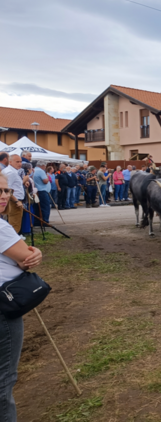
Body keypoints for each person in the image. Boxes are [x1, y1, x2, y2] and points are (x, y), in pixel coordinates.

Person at [0, 172, 44, 422]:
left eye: (7, 191)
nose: (5, 196)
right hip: (3, 310)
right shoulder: (1, 227)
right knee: (3, 380)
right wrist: (35, 253)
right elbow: (26, 259)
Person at [2, 155, 26, 234]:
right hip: (14, 201)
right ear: (10, 162)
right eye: (17, 162)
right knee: (15, 223)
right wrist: (16, 201)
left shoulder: (11, 171)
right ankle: (14, 241)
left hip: (13, 200)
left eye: (20, 161)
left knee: (11, 222)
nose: (20, 163)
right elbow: (7, 189)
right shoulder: (11, 172)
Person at [32, 161, 51, 227]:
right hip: (42, 191)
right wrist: (47, 177)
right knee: (45, 207)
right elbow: (45, 181)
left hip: (36, 191)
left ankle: (37, 221)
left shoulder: (34, 170)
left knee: (37, 207)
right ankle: (45, 221)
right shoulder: (41, 171)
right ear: (43, 165)